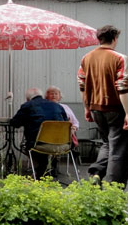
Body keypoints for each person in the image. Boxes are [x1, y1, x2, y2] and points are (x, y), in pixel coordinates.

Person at [77, 25, 128, 185]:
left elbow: (82, 85)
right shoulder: (120, 58)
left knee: (107, 143)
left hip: (95, 109)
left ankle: (96, 174)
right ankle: (114, 188)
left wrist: (86, 108)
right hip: (116, 109)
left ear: (99, 39)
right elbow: (122, 87)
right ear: (114, 38)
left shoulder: (86, 58)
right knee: (118, 148)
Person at [10, 87, 68, 178]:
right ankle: (46, 171)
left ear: (28, 98)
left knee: (32, 145)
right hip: (61, 144)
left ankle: (40, 172)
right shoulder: (58, 106)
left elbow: (15, 123)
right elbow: (66, 123)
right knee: (43, 143)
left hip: (38, 144)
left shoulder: (27, 106)